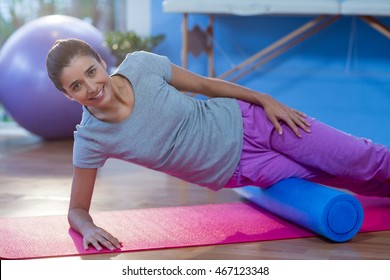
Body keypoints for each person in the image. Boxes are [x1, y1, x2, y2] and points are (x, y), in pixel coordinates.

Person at [46, 38, 390, 252]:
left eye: (91, 72)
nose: (90, 87)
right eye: (76, 86)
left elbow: (206, 85)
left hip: (250, 120)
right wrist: (88, 227)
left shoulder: (141, 65)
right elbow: (76, 209)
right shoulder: (90, 138)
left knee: (359, 157)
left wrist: (264, 98)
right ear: (66, 95)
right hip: (242, 170)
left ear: (102, 63)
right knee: (340, 176)